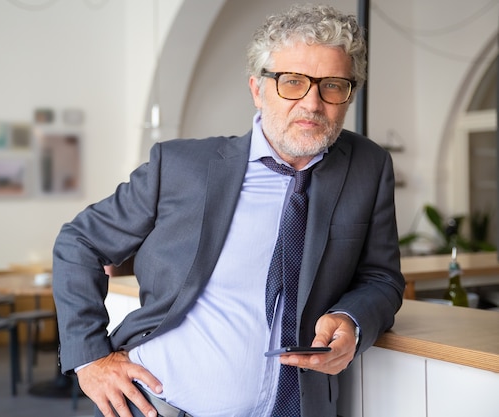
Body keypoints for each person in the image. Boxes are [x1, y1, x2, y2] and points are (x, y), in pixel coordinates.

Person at [53, 4, 405, 417]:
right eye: (292, 82)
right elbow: (79, 242)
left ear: (349, 93)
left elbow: (382, 278)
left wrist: (352, 320)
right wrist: (90, 358)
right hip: (161, 406)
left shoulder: (368, 166)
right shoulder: (181, 167)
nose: (312, 103)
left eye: (331, 85)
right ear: (257, 89)